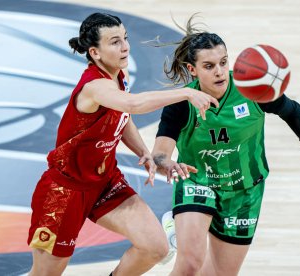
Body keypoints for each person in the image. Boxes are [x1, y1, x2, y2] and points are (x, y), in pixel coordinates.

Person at [27, 12, 219, 276]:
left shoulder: (118, 75)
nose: (125, 46)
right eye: (115, 41)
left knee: (155, 247)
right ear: (95, 52)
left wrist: (145, 153)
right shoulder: (95, 87)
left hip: (104, 181)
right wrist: (186, 92)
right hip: (65, 192)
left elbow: (122, 116)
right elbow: (133, 105)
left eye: (125, 38)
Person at [152, 15, 300, 275]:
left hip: (245, 191)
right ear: (193, 70)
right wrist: (166, 163)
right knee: (189, 264)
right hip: (198, 182)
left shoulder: (251, 88)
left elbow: (294, 112)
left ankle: (178, 230)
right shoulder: (181, 102)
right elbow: (159, 153)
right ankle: (179, 226)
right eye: (209, 66)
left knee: (221, 273)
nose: (220, 71)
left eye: (223, 63)